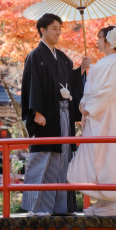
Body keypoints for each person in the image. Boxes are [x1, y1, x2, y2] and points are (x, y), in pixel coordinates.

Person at [20, 13, 90, 216]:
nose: (58, 32)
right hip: (46, 116)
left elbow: (71, 78)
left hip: (65, 115)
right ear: (42, 30)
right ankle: (39, 207)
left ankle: (62, 207)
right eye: (54, 28)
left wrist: (81, 70)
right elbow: (31, 85)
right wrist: (37, 112)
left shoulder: (62, 57)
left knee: (64, 159)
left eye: (60, 28)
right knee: (44, 159)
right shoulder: (35, 55)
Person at [67, 26, 116, 217]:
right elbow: (94, 88)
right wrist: (87, 68)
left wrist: (89, 108)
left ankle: (112, 202)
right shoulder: (106, 63)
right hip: (98, 117)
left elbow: (108, 92)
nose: (96, 41)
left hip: (106, 118)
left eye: (99, 37)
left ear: (108, 41)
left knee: (106, 156)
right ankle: (102, 200)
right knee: (97, 156)